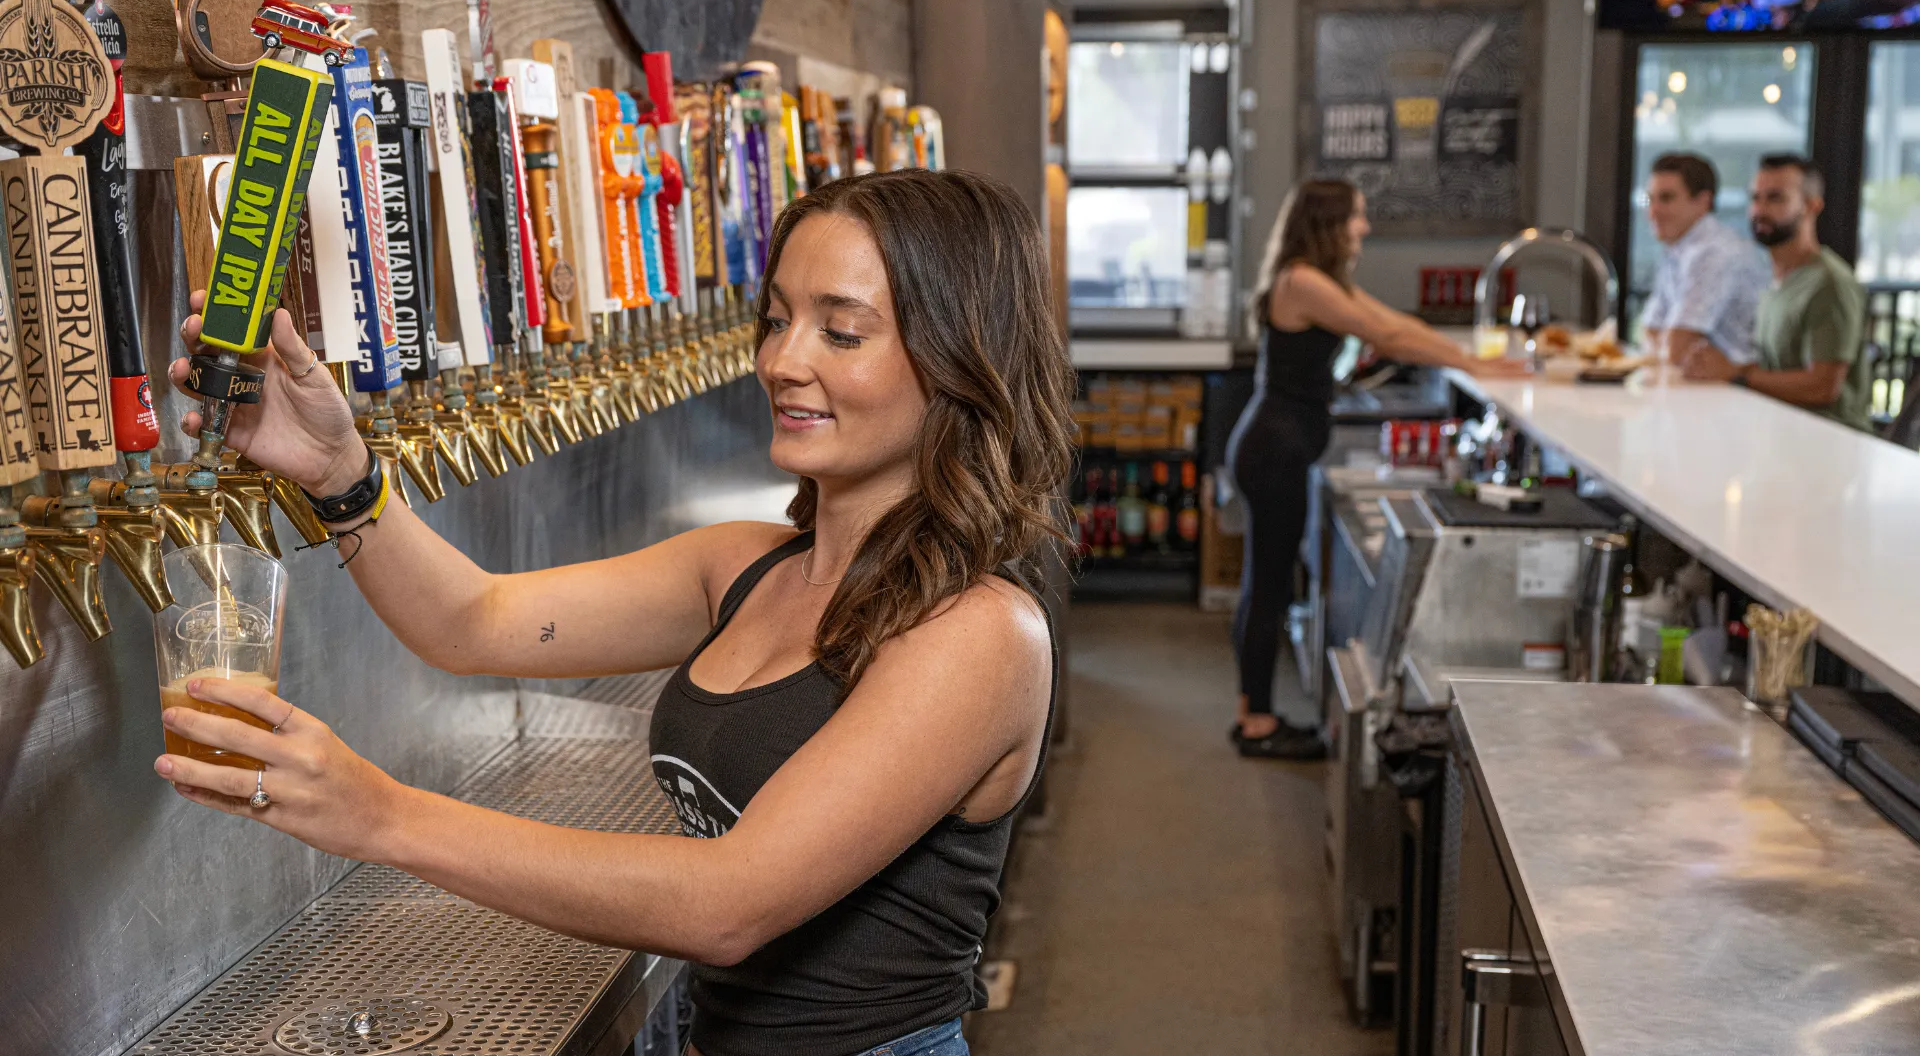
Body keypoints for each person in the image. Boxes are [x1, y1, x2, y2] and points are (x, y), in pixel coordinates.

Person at [154, 169, 1073, 1056]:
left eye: (841, 333)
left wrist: (382, 816)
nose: (780, 362)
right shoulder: (744, 566)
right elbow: (471, 623)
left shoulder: (980, 635)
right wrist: (337, 473)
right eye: (779, 320)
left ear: (959, 359)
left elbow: (727, 906)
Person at [1227, 180, 1525, 759]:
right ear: (1330, 221)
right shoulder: (1304, 281)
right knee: (1267, 588)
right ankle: (1256, 722)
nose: (1364, 226)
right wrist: (1472, 363)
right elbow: (1385, 336)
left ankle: (1251, 711)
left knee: (1263, 583)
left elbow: (1395, 322)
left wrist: (1474, 359)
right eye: (1357, 216)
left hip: (1277, 448)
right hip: (1274, 451)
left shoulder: (1316, 278)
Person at [1683, 154, 1872, 432]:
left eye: (1775, 198)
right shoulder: (1774, 279)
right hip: (1778, 433)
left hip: (1828, 444)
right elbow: (1777, 368)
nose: (1760, 210)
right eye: (1755, 198)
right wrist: (1715, 366)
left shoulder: (1829, 283)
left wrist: (1736, 373)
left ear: (1811, 206)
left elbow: (1823, 386)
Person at [1638, 152, 1769, 366]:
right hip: (1704, 386)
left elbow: (1675, 349)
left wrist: (1663, 345)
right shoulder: (1678, 248)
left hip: (1739, 390)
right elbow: (1648, 332)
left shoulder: (1715, 252)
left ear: (1703, 201)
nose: (1653, 211)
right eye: (1650, 199)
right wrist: (1663, 345)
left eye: (1666, 198)